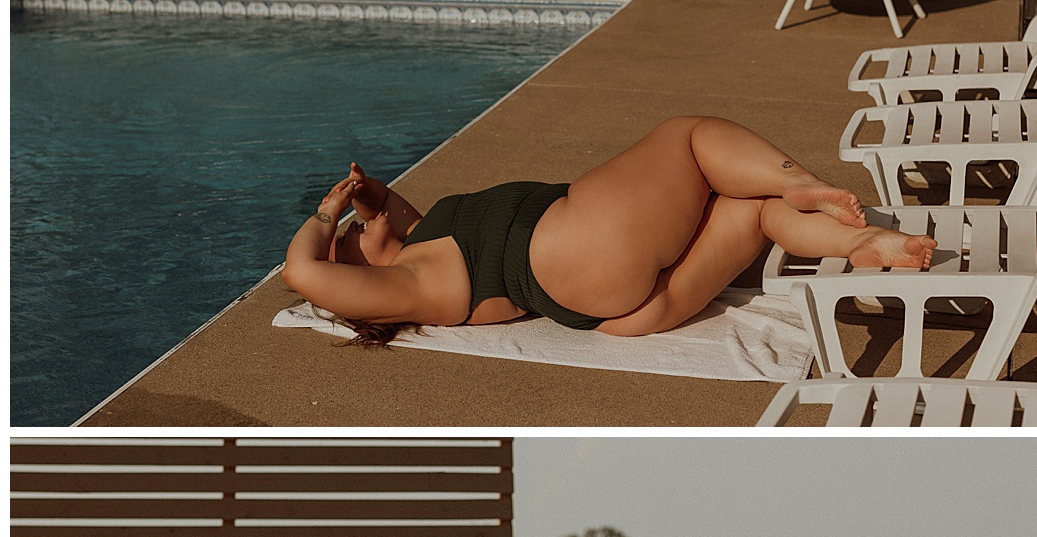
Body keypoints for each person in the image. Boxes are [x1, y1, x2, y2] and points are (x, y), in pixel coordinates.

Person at [281, 114, 936, 342]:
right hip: (579, 249)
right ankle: (801, 178)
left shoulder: (421, 243)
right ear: (352, 273)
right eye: (346, 239)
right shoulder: (407, 285)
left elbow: (385, 216)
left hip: (621, 311)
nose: (354, 224)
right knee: (692, 138)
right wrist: (321, 218)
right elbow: (301, 272)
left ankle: (860, 244)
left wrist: (360, 198)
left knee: (749, 206)